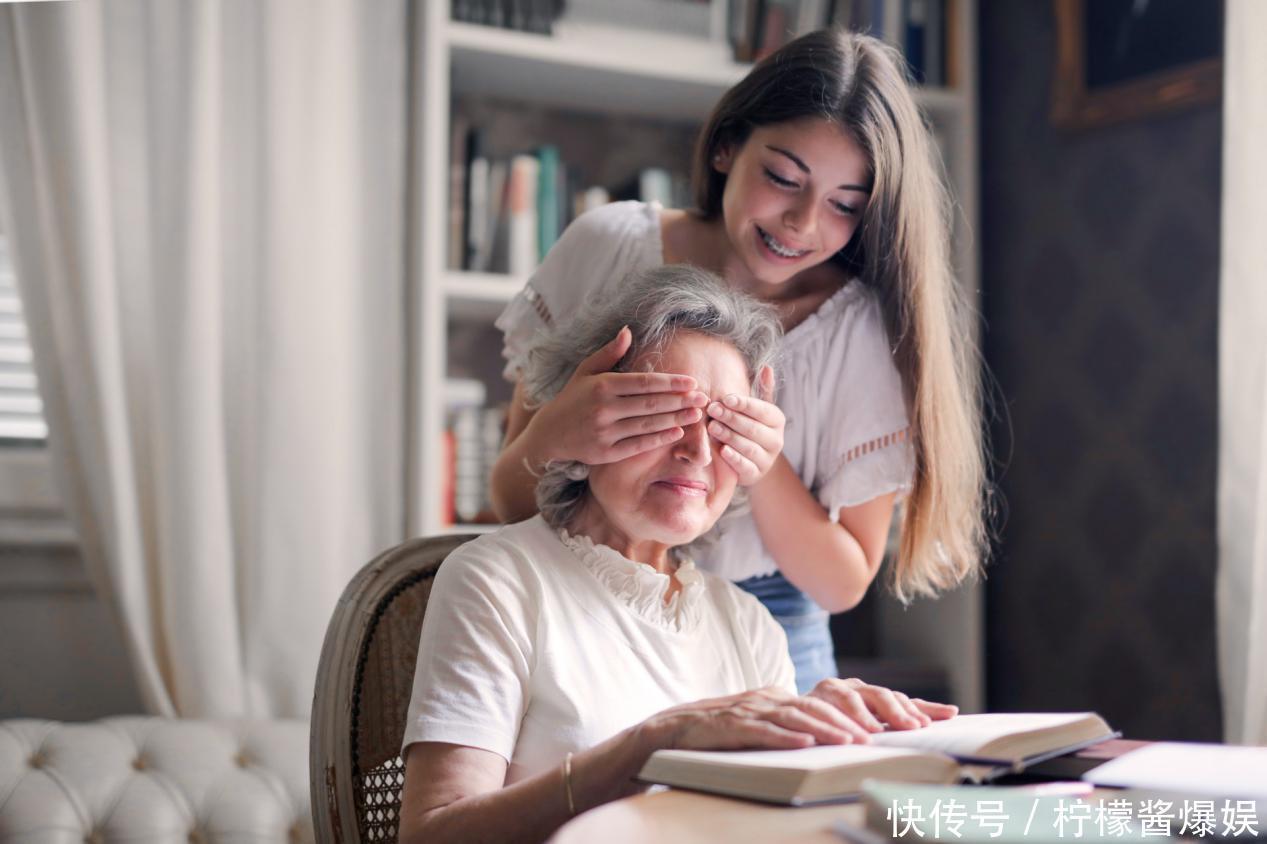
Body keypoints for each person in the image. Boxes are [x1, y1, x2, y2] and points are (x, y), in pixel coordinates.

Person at [490, 28, 988, 693]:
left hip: (771, 626)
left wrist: (755, 457)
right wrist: (559, 431)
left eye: (844, 205)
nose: (800, 223)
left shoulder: (860, 333)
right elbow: (508, 501)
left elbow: (842, 583)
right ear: (726, 147)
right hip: (584, 600)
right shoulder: (606, 247)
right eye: (782, 178)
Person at [399, 266, 957, 844]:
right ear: (591, 418)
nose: (696, 451)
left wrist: (843, 743)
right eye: (665, 413)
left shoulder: (750, 627)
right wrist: (656, 741)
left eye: (724, 426)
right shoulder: (496, 582)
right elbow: (431, 835)